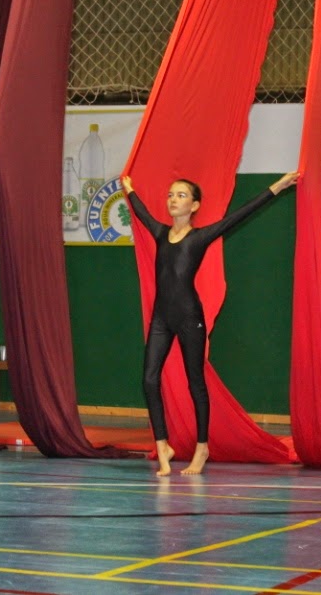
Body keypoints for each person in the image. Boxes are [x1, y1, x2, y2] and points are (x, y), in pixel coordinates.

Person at [122, 172, 299, 476]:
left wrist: (277, 187)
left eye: (181, 195)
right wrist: (129, 189)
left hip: (189, 317)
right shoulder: (160, 232)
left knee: (195, 382)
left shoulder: (199, 237)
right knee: (149, 379)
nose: (173, 199)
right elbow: (141, 212)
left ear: (194, 205)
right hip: (161, 317)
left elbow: (241, 213)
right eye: (170, 194)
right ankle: (163, 445)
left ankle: (202, 447)